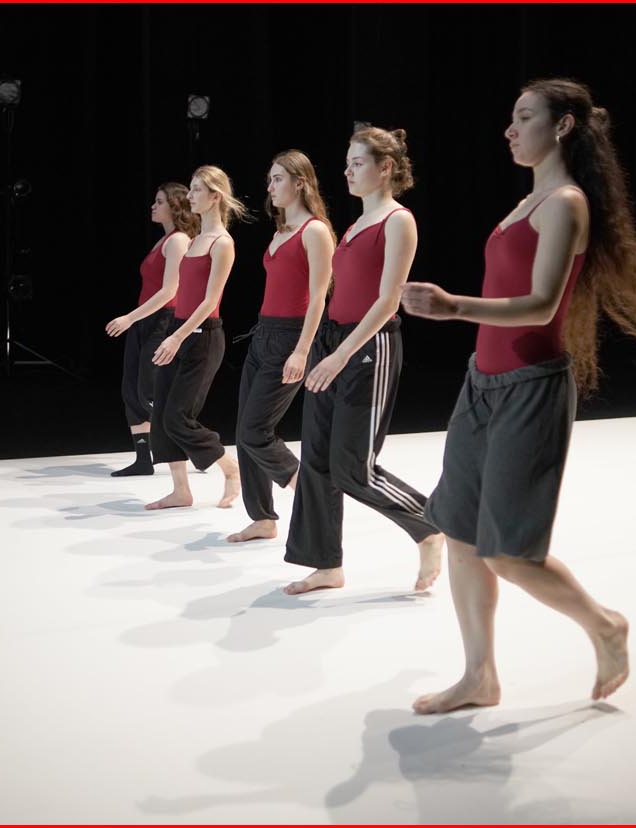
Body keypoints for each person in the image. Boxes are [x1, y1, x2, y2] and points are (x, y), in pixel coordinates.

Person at [401, 78, 636, 713]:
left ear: (563, 126)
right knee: (461, 534)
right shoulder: (526, 203)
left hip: (530, 389)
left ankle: (604, 625)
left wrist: (453, 307)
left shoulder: (566, 204)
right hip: (481, 382)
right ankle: (479, 676)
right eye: (511, 117)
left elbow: (541, 305)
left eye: (524, 117)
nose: (509, 129)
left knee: (510, 554)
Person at [282, 127, 445, 595]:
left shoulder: (398, 220)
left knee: (353, 467)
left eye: (357, 163)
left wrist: (340, 355)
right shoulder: (354, 225)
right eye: (348, 163)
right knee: (315, 458)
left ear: (385, 168)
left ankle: (429, 524)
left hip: (368, 347)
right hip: (333, 340)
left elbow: (389, 299)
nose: (348, 171)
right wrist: (319, 347)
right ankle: (325, 564)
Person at [226, 150, 334, 543]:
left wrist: (302, 350)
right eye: (269, 180)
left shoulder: (314, 231)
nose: (270, 187)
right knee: (244, 432)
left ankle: (311, 492)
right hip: (263, 335)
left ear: (300, 182)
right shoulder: (280, 232)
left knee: (255, 430)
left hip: (292, 337)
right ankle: (262, 518)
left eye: (278, 179)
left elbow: (319, 297)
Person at [145, 166, 248, 510]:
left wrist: (176, 337)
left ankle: (230, 468)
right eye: (190, 190)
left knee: (178, 416)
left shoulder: (222, 243)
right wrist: (172, 333)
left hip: (202, 337)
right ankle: (180, 490)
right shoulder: (192, 241)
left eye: (196, 190)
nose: (189, 196)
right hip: (179, 329)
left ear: (215, 196)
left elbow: (209, 301)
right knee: (162, 413)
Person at [105, 184, 198, 476]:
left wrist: (129, 318)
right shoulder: (164, 240)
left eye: (160, 202)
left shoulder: (178, 240)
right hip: (145, 320)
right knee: (131, 391)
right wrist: (136, 320)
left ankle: (196, 446)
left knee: (150, 390)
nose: (153, 206)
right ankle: (144, 458)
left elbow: (170, 290)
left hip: (163, 320)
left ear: (175, 206)